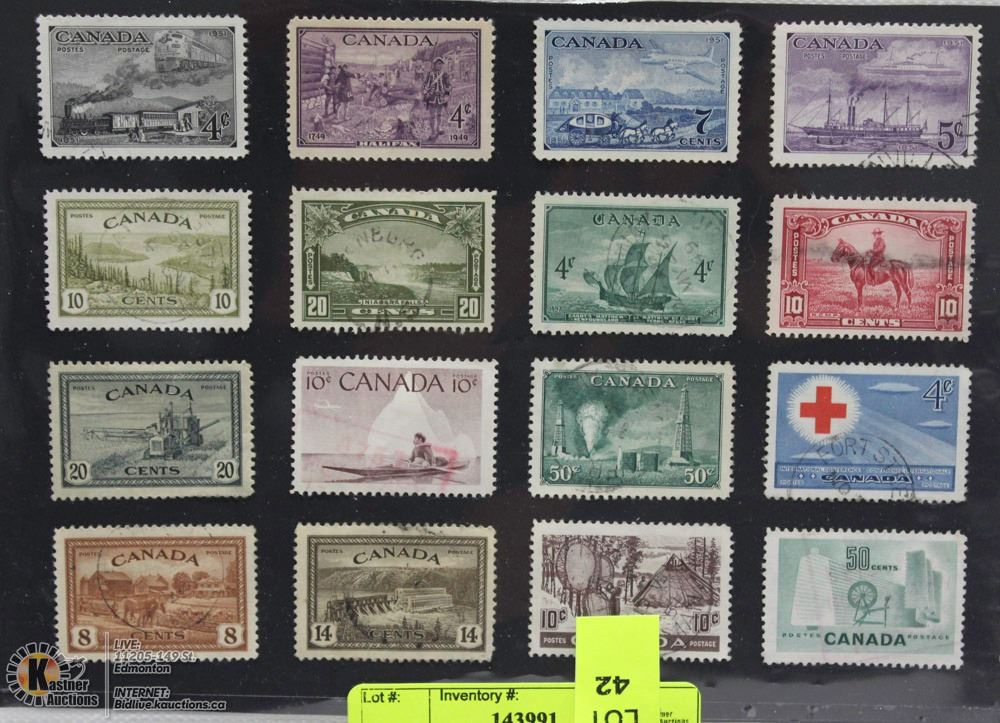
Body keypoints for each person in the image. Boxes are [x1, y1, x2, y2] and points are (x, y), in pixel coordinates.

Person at [421, 57, 451, 139]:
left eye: (441, 64)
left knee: (439, 114)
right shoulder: (430, 74)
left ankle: (438, 128)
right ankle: (433, 132)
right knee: (432, 116)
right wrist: (426, 93)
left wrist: (446, 94)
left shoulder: (444, 74)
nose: (440, 66)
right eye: (438, 64)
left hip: (441, 97)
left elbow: (448, 85)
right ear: (434, 65)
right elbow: (425, 84)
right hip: (432, 97)